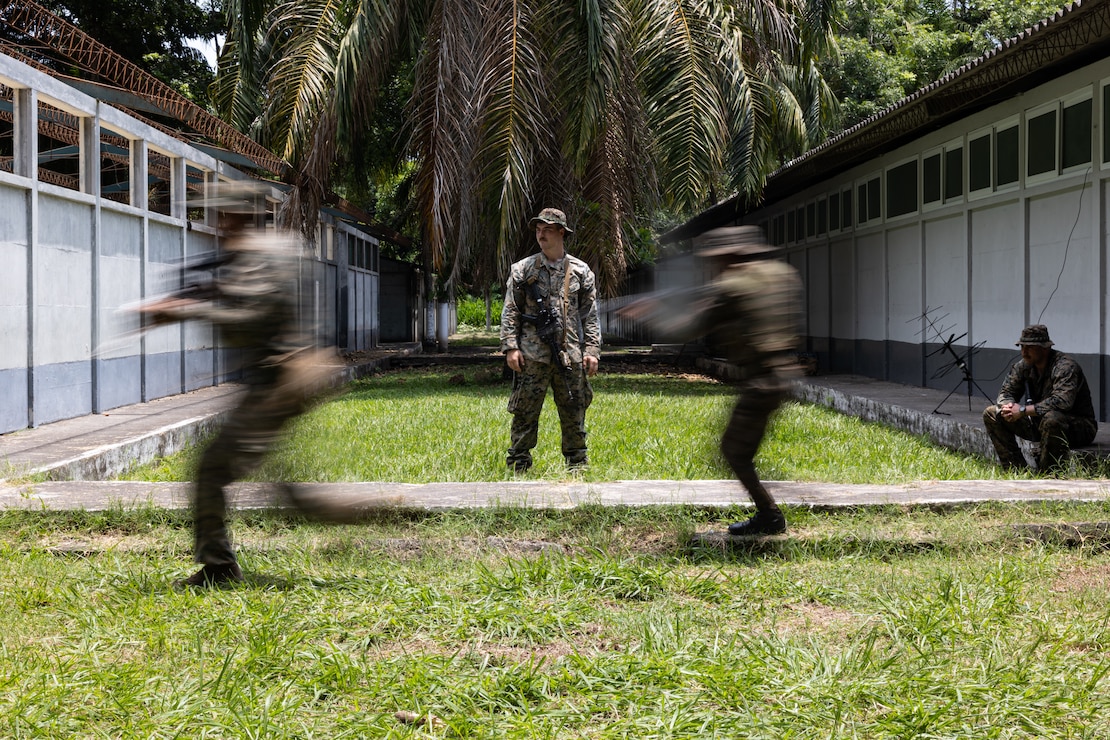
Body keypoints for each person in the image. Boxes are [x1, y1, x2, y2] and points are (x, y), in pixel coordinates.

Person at [138, 181, 337, 586]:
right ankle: (361, 507)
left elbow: (250, 318)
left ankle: (220, 568)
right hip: (279, 381)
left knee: (212, 470)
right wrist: (206, 294)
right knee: (275, 484)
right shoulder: (258, 252)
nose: (217, 225)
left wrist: (187, 309)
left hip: (281, 381)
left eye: (222, 216)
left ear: (237, 217)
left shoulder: (262, 256)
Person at [621, 225, 803, 536]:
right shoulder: (781, 274)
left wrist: (652, 314)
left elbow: (688, 329)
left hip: (761, 381)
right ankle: (769, 514)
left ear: (729, 257)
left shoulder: (732, 286)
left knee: (734, 451)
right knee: (741, 449)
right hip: (783, 373)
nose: (713, 266)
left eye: (716, 260)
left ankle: (770, 516)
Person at [500, 207, 601, 472]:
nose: (541, 234)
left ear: (561, 232)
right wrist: (511, 347)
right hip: (532, 354)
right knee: (525, 410)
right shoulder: (523, 269)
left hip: (570, 354)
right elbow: (511, 310)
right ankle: (519, 463)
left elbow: (590, 315)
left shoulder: (580, 271)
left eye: (547, 229)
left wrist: (592, 350)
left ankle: (577, 463)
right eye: (538, 229)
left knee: (574, 409)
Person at [982, 324, 1097, 474]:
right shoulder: (1024, 366)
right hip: (1039, 422)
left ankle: (1048, 474)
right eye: (1022, 347)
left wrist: (1022, 410)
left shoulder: (1065, 366)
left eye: (1030, 347)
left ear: (1044, 348)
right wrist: (1008, 407)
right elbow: (1007, 392)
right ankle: (1016, 471)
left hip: (1077, 427)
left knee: (1052, 419)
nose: (1024, 352)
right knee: (992, 413)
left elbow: (1062, 402)